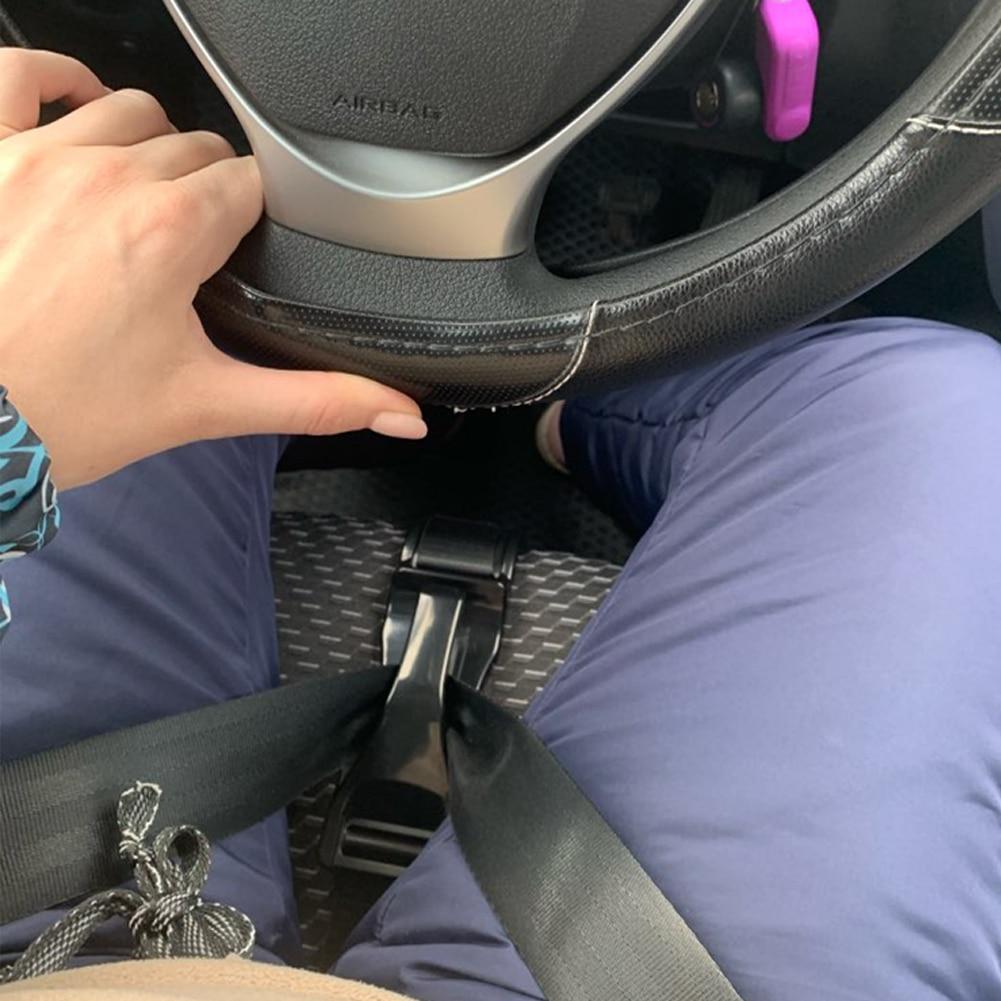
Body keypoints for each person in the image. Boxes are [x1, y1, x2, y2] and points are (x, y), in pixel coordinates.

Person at [1, 49, 999, 1001]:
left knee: (147, 285)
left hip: (45, 910)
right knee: (922, 409)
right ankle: (567, 412)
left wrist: (14, 416)